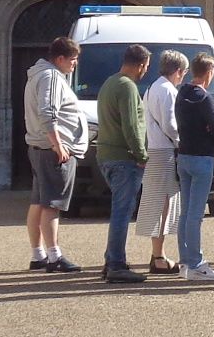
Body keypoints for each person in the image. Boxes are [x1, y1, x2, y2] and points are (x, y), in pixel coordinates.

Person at [22, 37, 88, 273]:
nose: (75, 64)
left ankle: (38, 254)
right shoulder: (50, 77)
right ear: (60, 58)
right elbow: (47, 112)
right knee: (52, 204)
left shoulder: (41, 75)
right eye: (73, 59)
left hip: (41, 147)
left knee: (39, 202)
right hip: (52, 150)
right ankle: (54, 256)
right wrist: (58, 145)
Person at [93, 43, 152, 285]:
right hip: (123, 157)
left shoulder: (110, 82)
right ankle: (116, 263)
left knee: (120, 209)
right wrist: (141, 155)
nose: (146, 71)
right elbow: (131, 125)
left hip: (107, 154)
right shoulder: (127, 87)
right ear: (140, 65)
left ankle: (112, 261)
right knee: (122, 211)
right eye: (146, 67)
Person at [174, 56, 214, 281]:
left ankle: (185, 262)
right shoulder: (204, 98)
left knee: (186, 212)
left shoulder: (182, 93)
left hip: (184, 155)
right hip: (201, 158)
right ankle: (196, 263)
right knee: (195, 215)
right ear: (209, 72)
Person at [135, 50, 188, 274]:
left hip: (155, 148)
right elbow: (170, 124)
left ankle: (158, 253)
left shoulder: (153, 87)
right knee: (163, 204)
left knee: (160, 203)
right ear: (177, 71)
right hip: (163, 151)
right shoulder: (167, 89)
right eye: (183, 72)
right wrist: (182, 141)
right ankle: (158, 256)